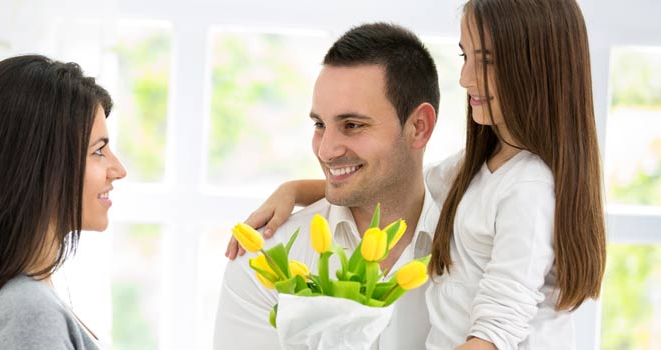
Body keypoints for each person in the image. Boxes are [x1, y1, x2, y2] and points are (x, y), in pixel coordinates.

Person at [230, 0, 607, 349]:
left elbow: (497, 329)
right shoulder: (477, 167)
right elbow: (396, 180)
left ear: (537, 65)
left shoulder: (527, 188)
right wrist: (293, 190)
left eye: (487, 60)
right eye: (465, 56)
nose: (465, 78)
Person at [214, 22, 441, 350]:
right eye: (320, 124)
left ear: (419, 127)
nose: (325, 150)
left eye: (352, 125)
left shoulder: (482, 243)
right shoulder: (263, 260)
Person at [0, 55, 127, 350]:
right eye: (98, 151)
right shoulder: (28, 312)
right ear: (37, 166)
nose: (119, 171)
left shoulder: (13, 302)